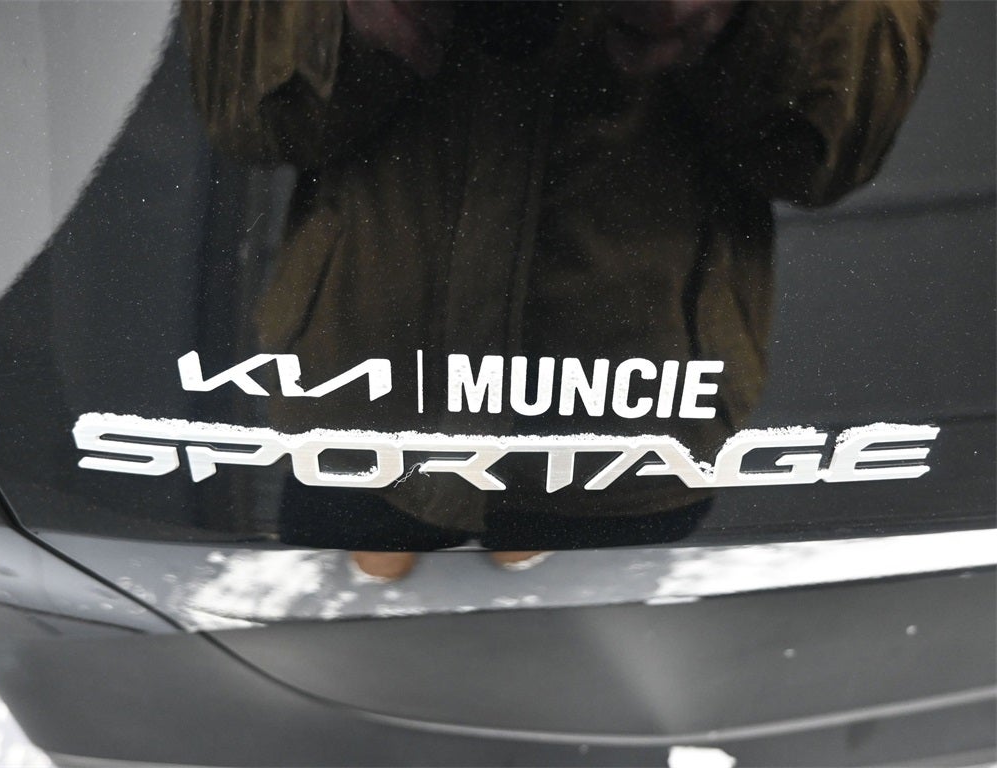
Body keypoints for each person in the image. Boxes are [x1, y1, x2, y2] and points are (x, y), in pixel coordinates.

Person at [182, 0, 938, 579]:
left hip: (637, 437)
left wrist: (744, 17)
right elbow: (241, 113)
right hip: (358, 419)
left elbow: (835, 147)